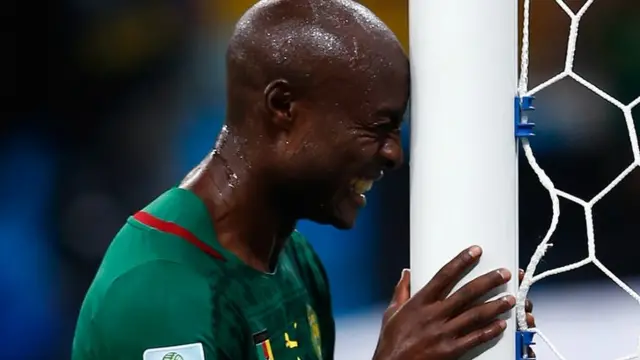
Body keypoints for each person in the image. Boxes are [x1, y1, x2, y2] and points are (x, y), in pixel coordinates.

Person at [71, 0, 535, 359]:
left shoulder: (296, 261)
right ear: (283, 109)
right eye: (377, 127)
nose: (394, 154)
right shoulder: (160, 293)